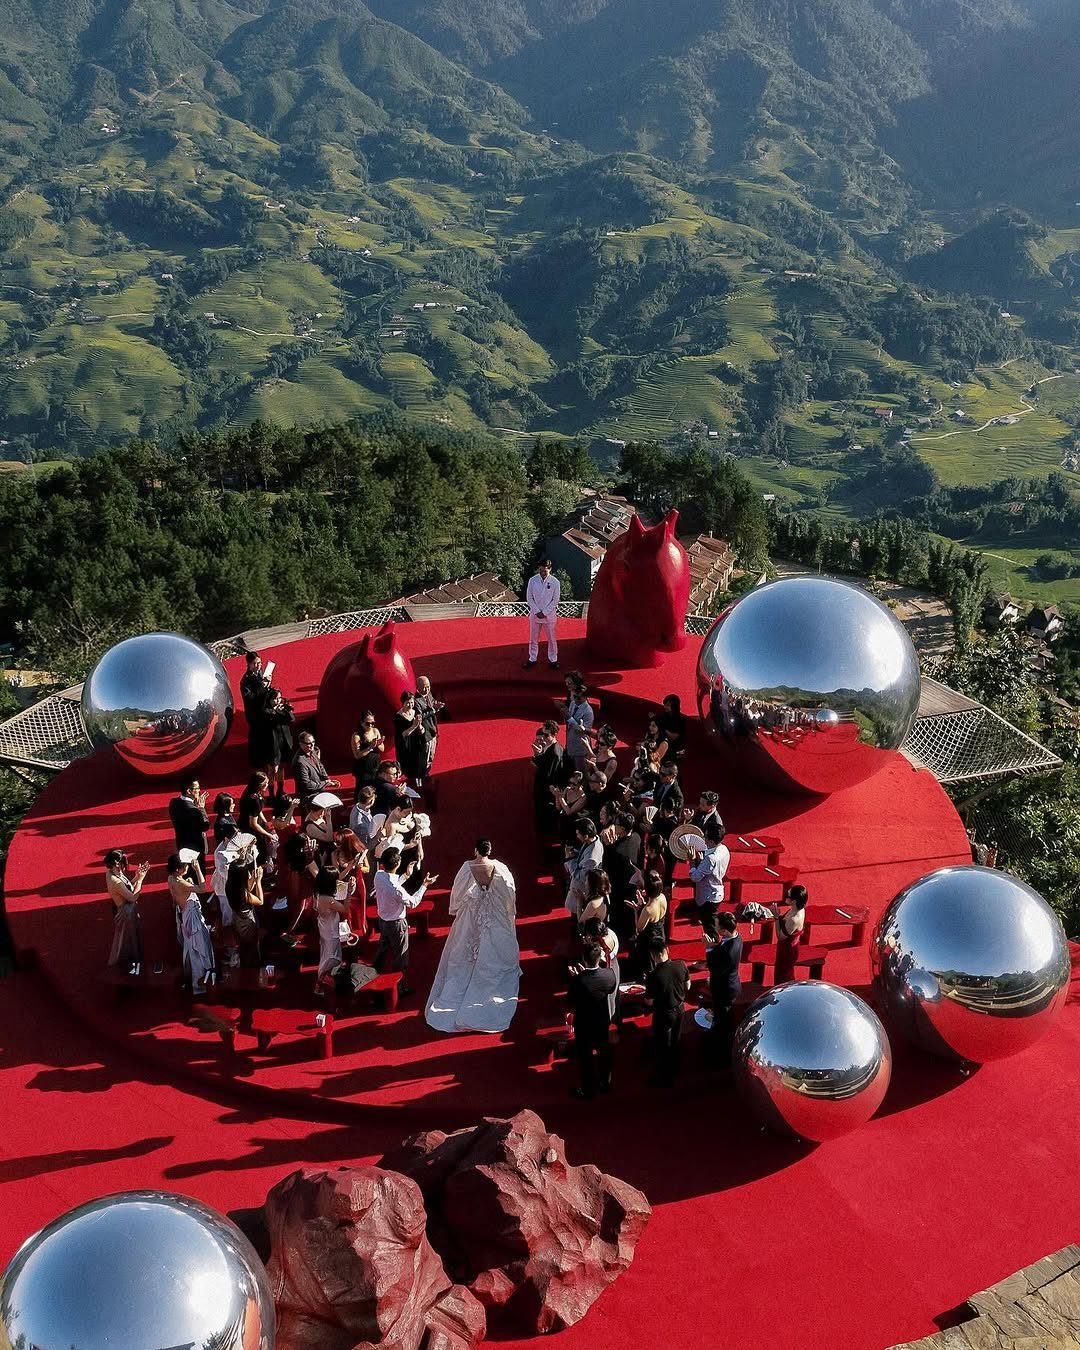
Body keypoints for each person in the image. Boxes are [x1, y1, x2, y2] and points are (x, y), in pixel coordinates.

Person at [426, 839, 519, 1033]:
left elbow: (458, 891)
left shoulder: (467, 867)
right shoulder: (499, 867)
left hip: (472, 910)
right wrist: (507, 911)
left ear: (475, 850)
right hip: (492, 910)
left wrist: (457, 908)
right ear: (490, 850)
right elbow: (508, 893)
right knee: (492, 945)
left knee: (464, 946)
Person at [372, 846, 436, 994]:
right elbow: (413, 902)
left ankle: (373, 974)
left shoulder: (378, 876)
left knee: (382, 951)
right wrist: (424, 885)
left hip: (383, 921)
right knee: (401, 957)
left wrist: (406, 876)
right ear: (397, 864)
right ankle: (400, 988)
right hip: (397, 925)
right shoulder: (397, 889)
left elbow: (391, 886)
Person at [567, 942, 617, 1099]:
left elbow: (571, 1000)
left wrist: (578, 977)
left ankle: (587, 1089)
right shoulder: (609, 974)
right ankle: (605, 1083)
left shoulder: (577, 981)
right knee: (604, 1051)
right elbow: (609, 988)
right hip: (602, 1021)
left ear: (584, 958)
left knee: (585, 1057)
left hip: (584, 1024)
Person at [168, 854, 216, 996]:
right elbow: (202, 888)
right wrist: (198, 869)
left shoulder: (171, 878)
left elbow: (176, 895)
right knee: (200, 950)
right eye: (185, 865)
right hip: (193, 921)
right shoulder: (181, 883)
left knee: (191, 950)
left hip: (185, 917)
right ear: (178, 869)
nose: (187, 866)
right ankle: (201, 983)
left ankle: (197, 981)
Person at [645, 936, 689, 1087]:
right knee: (675, 1039)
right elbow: (688, 986)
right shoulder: (681, 964)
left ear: (652, 955)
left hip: (664, 1013)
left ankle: (664, 1076)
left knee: (662, 1044)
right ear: (667, 950)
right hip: (680, 1008)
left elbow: (649, 1001)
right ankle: (675, 1068)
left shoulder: (653, 975)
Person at [105, 849, 148, 973]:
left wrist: (136, 877)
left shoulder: (111, 873)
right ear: (117, 864)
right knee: (126, 942)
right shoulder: (115, 881)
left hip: (127, 910)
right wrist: (140, 880)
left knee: (130, 939)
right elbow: (132, 896)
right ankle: (126, 968)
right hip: (126, 913)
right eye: (123, 864)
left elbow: (127, 887)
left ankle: (132, 965)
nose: (125, 868)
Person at [687, 820, 730, 944]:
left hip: (708, 895)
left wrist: (692, 862)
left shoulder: (711, 859)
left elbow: (695, 877)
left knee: (710, 927)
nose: (703, 839)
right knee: (710, 922)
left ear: (711, 841)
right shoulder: (724, 849)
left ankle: (713, 949)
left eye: (705, 837)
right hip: (716, 890)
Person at [706, 911, 743, 1054]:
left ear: (724, 931)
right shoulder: (736, 937)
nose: (714, 927)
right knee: (724, 1015)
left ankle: (721, 1050)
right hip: (729, 984)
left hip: (724, 988)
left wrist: (709, 948)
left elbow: (715, 968)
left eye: (716, 925)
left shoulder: (729, 950)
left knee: (723, 1021)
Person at [313, 865, 351, 990]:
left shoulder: (319, 892)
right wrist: (349, 891)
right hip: (330, 930)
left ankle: (325, 983)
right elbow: (345, 908)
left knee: (326, 954)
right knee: (330, 957)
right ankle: (321, 984)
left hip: (325, 926)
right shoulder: (327, 899)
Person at [253, 687, 294, 794]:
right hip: (272, 745)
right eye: (275, 699)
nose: (277, 701)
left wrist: (287, 710)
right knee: (273, 770)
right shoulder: (266, 711)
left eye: (279, 698)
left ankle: (280, 790)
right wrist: (282, 710)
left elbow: (291, 719)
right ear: (269, 699)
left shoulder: (282, 709)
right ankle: (271, 793)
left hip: (283, 743)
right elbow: (276, 716)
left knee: (281, 768)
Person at [226, 854, 264, 968]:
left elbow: (245, 887)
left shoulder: (229, 886)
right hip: (247, 921)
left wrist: (253, 878)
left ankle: (245, 964)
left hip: (236, 919)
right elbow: (260, 901)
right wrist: (258, 882)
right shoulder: (245, 895)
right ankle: (253, 966)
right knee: (252, 946)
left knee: (243, 946)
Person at [629, 871, 668, 977]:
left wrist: (636, 910)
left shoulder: (648, 909)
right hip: (660, 929)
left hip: (649, 936)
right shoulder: (663, 897)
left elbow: (639, 928)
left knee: (649, 961)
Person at [565, 818, 603, 926]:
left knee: (578, 915)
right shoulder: (594, 840)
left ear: (586, 836)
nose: (577, 836)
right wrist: (575, 853)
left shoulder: (592, 858)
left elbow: (579, 876)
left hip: (581, 889)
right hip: (582, 887)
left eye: (578, 834)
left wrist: (569, 859)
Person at [332, 829, 369, 938]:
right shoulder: (335, 854)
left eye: (339, 843)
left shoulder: (360, 851)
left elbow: (368, 869)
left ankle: (362, 932)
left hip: (358, 883)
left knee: (359, 910)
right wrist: (349, 867)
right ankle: (347, 933)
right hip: (343, 885)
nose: (336, 845)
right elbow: (337, 876)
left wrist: (360, 867)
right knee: (346, 911)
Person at [524, 559, 560, 669]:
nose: (542, 573)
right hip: (535, 615)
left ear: (550, 569)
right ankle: (532, 658)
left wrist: (544, 612)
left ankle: (553, 660)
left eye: (545, 571)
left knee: (551, 639)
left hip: (549, 616)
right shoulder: (532, 580)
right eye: (541, 571)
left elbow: (555, 600)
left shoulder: (555, 582)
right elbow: (529, 598)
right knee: (533, 639)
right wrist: (537, 611)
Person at [168, 777, 209, 871]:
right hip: (195, 849)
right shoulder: (194, 810)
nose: (199, 791)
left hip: (181, 844)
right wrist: (202, 808)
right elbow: (205, 825)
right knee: (197, 875)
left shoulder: (174, 802)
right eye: (197, 788)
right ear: (189, 791)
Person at [531, 724, 565, 833]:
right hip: (544, 786)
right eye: (543, 734)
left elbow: (549, 774)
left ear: (554, 734)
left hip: (546, 789)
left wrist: (537, 758)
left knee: (545, 812)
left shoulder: (555, 752)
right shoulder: (549, 746)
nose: (543, 737)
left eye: (546, 735)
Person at [240, 651, 271, 769]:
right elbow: (250, 697)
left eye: (260, 662)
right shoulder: (246, 680)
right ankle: (256, 762)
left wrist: (268, 684)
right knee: (256, 738)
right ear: (249, 664)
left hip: (265, 710)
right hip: (254, 714)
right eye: (255, 663)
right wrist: (262, 687)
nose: (258, 665)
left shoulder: (261, 673)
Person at [773, 884, 808, 983]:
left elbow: (780, 936)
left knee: (782, 976)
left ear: (794, 901)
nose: (785, 897)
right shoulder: (797, 909)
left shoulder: (794, 919)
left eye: (788, 896)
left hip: (787, 950)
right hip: (788, 947)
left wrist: (776, 918)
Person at [293, 732, 339, 808]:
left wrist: (327, 779)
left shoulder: (313, 751)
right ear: (301, 744)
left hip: (318, 793)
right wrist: (325, 783)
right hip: (308, 798)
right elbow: (307, 784)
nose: (312, 745)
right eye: (308, 743)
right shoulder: (299, 762)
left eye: (313, 742)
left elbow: (320, 766)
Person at [239, 772, 276, 866]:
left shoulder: (252, 792)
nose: (267, 786)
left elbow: (258, 811)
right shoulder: (253, 799)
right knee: (259, 854)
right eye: (264, 784)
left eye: (267, 783)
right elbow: (253, 824)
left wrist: (265, 822)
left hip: (253, 825)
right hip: (251, 830)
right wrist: (268, 834)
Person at [414, 676, 443, 789]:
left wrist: (437, 705)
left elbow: (432, 704)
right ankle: (420, 782)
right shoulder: (416, 701)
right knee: (423, 759)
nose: (426, 689)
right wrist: (433, 710)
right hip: (425, 735)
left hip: (433, 731)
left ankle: (426, 775)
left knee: (430, 756)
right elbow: (419, 716)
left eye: (428, 687)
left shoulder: (429, 695)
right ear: (418, 687)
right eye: (424, 687)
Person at [394, 689, 426, 788]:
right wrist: (414, 726)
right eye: (408, 703)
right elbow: (403, 734)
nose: (410, 705)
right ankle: (412, 780)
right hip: (407, 743)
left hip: (417, 741)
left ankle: (419, 779)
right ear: (403, 703)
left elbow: (422, 730)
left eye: (412, 702)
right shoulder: (398, 717)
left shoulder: (415, 712)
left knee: (420, 761)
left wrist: (419, 726)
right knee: (410, 764)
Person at [563, 679, 594, 772]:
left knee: (580, 772)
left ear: (585, 698)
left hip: (580, 748)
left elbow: (583, 731)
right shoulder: (573, 703)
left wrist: (569, 718)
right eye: (575, 696)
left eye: (578, 698)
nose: (575, 699)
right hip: (570, 743)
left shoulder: (588, 712)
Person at [351, 711, 385, 789]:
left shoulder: (375, 731)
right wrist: (370, 747)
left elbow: (382, 749)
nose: (370, 725)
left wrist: (378, 744)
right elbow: (357, 755)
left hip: (376, 765)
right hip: (363, 768)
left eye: (372, 723)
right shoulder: (356, 736)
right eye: (367, 723)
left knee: (375, 789)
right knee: (363, 789)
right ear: (361, 723)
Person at [658, 694, 687, 758]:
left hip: (675, 747)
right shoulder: (665, 715)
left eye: (667, 705)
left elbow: (674, 737)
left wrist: (661, 728)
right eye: (665, 705)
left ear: (674, 707)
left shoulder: (680, 720)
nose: (665, 707)